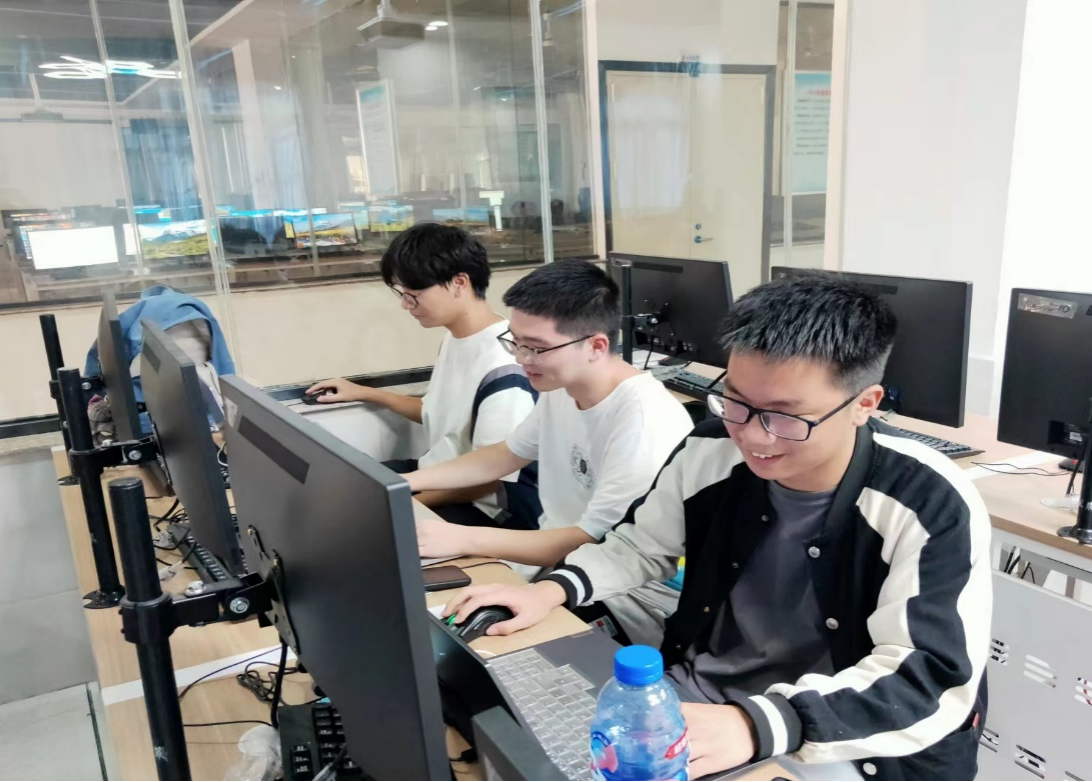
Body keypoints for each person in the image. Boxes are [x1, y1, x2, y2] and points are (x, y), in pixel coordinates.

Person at [441, 272, 991, 781]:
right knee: (511, 735)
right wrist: (551, 591)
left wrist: (754, 726)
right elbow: (639, 546)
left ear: (863, 404)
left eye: (784, 416)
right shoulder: (712, 449)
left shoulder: (924, 499)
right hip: (701, 701)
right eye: (736, 402)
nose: (753, 436)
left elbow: (929, 677)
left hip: (834, 737)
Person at [406, 259, 694, 645]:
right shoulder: (561, 386)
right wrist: (407, 482)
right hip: (552, 565)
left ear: (596, 346)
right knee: (440, 613)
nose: (520, 358)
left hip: (622, 593)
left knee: (485, 645)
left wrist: (464, 538)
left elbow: (592, 542)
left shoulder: (644, 421)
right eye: (516, 342)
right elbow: (505, 454)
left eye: (536, 348)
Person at [307, 223, 539, 529]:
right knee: (334, 483)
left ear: (458, 283)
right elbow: (439, 412)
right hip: (439, 474)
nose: (405, 305)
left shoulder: (506, 364)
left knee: (352, 518)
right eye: (401, 294)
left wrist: (405, 504)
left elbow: (489, 477)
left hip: (485, 507)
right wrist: (365, 393)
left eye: (413, 295)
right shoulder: (456, 338)